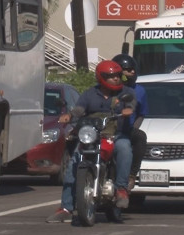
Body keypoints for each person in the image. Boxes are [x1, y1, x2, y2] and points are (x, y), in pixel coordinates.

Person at [46, 60, 136, 223]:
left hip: (115, 135)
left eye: (117, 75)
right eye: (111, 76)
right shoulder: (89, 94)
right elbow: (80, 109)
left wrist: (128, 109)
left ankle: (121, 189)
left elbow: (131, 103)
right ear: (101, 77)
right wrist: (70, 115)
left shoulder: (126, 92)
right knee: (75, 160)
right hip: (92, 135)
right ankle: (65, 207)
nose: (116, 79)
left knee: (124, 147)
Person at [112, 53, 148, 189]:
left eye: (134, 69)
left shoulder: (139, 91)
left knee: (140, 137)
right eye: (128, 69)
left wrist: (133, 128)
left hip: (125, 131)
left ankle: (132, 175)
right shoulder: (106, 89)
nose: (132, 72)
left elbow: (141, 114)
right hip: (105, 130)